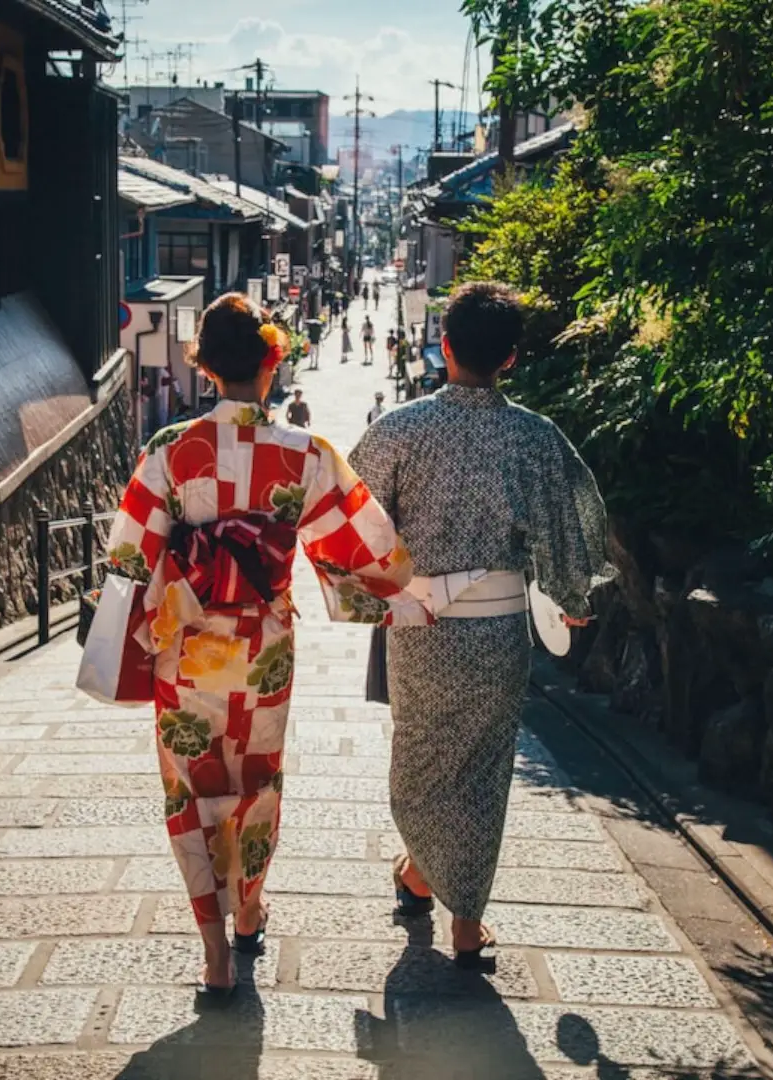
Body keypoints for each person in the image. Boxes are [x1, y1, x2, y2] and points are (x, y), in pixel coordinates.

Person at [104, 293, 428, 997]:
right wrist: (412, 596)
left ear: (205, 367)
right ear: (272, 360)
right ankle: (248, 907)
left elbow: (128, 559)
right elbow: (365, 550)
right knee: (256, 782)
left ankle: (215, 951)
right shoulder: (304, 454)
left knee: (190, 786)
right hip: (263, 648)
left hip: (185, 648)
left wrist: (165, 593)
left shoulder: (169, 451)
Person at [348, 282, 607, 967]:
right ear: (512, 360)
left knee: (422, 759)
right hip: (498, 633)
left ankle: (426, 880)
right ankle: (459, 914)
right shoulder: (534, 437)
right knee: (484, 773)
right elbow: (573, 514)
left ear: (445, 345)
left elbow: (349, 519)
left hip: (421, 627)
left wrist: (371, 593)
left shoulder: (399, 430)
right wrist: (570, 590)